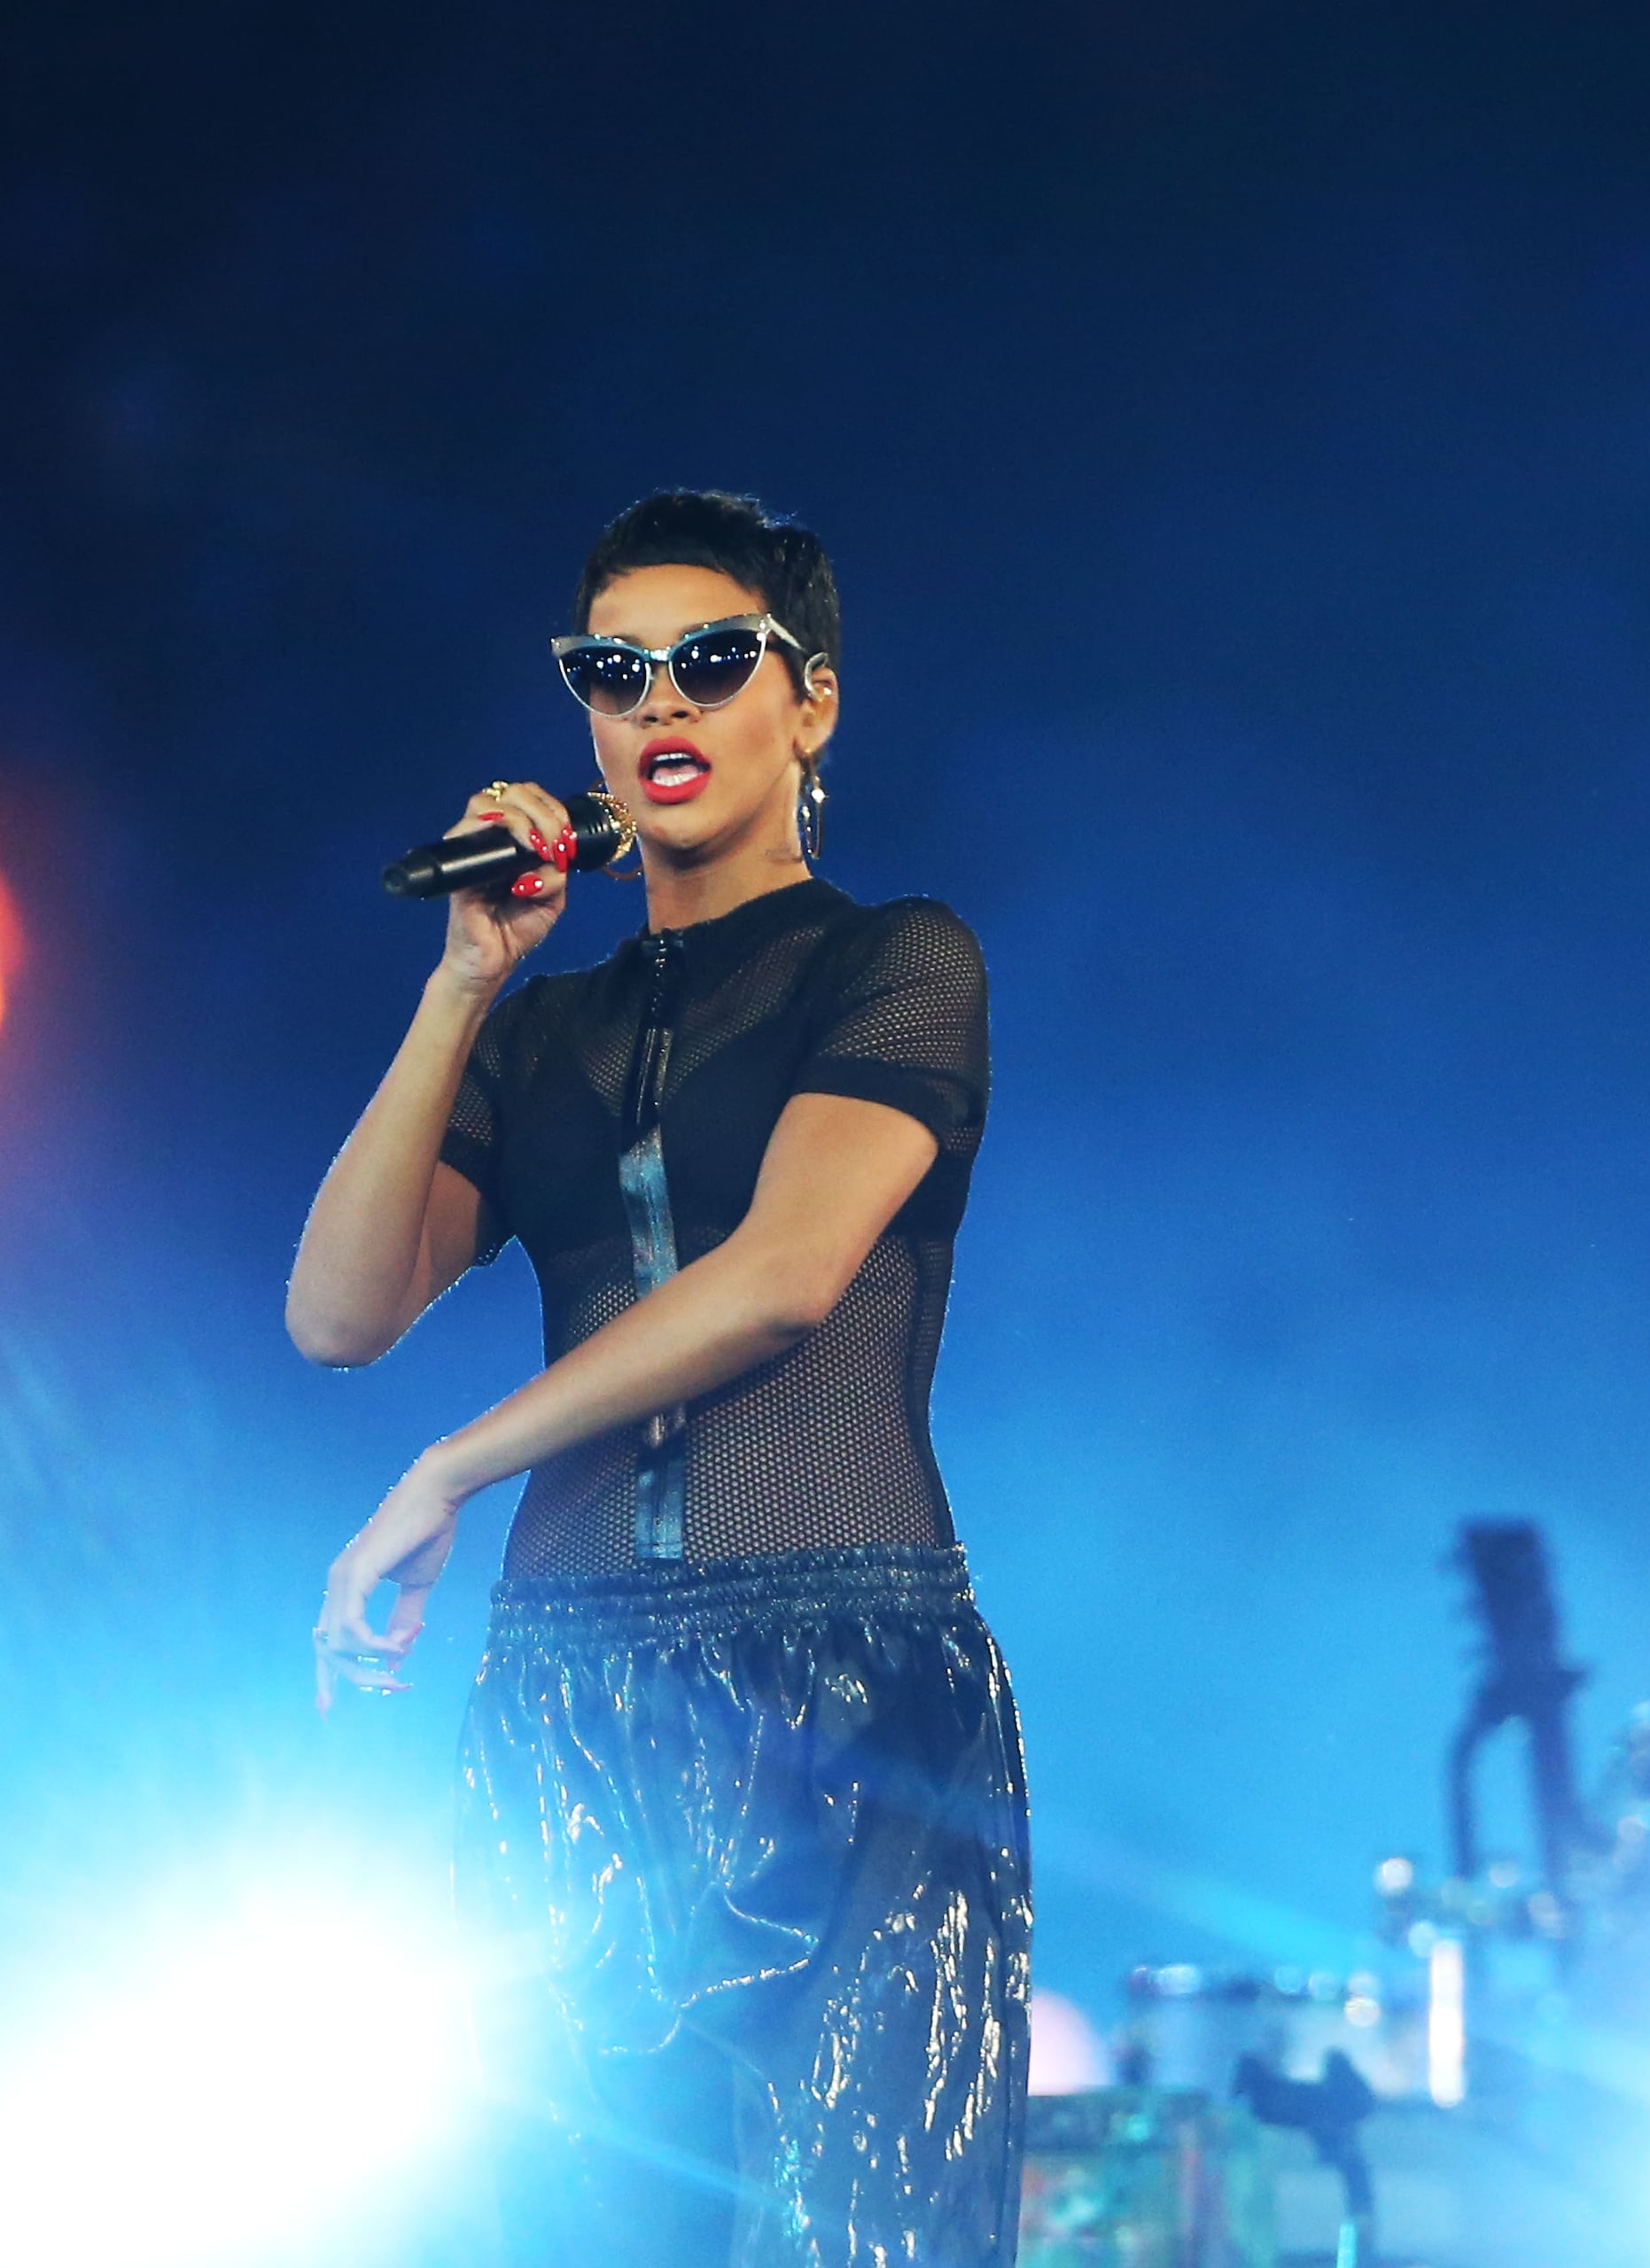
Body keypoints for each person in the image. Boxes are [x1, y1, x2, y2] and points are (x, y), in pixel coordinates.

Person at [288, 491, 1027, 2266]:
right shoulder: (543, 1028)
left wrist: (448, 1466)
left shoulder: (899, 960)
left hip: (846, 1689)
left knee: (856, 2229)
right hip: (570, 1706)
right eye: (614, 673)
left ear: (813, 700)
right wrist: (465, 980)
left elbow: (779, 1278)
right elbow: (335, 1311)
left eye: (711, 661)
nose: (660, 704)